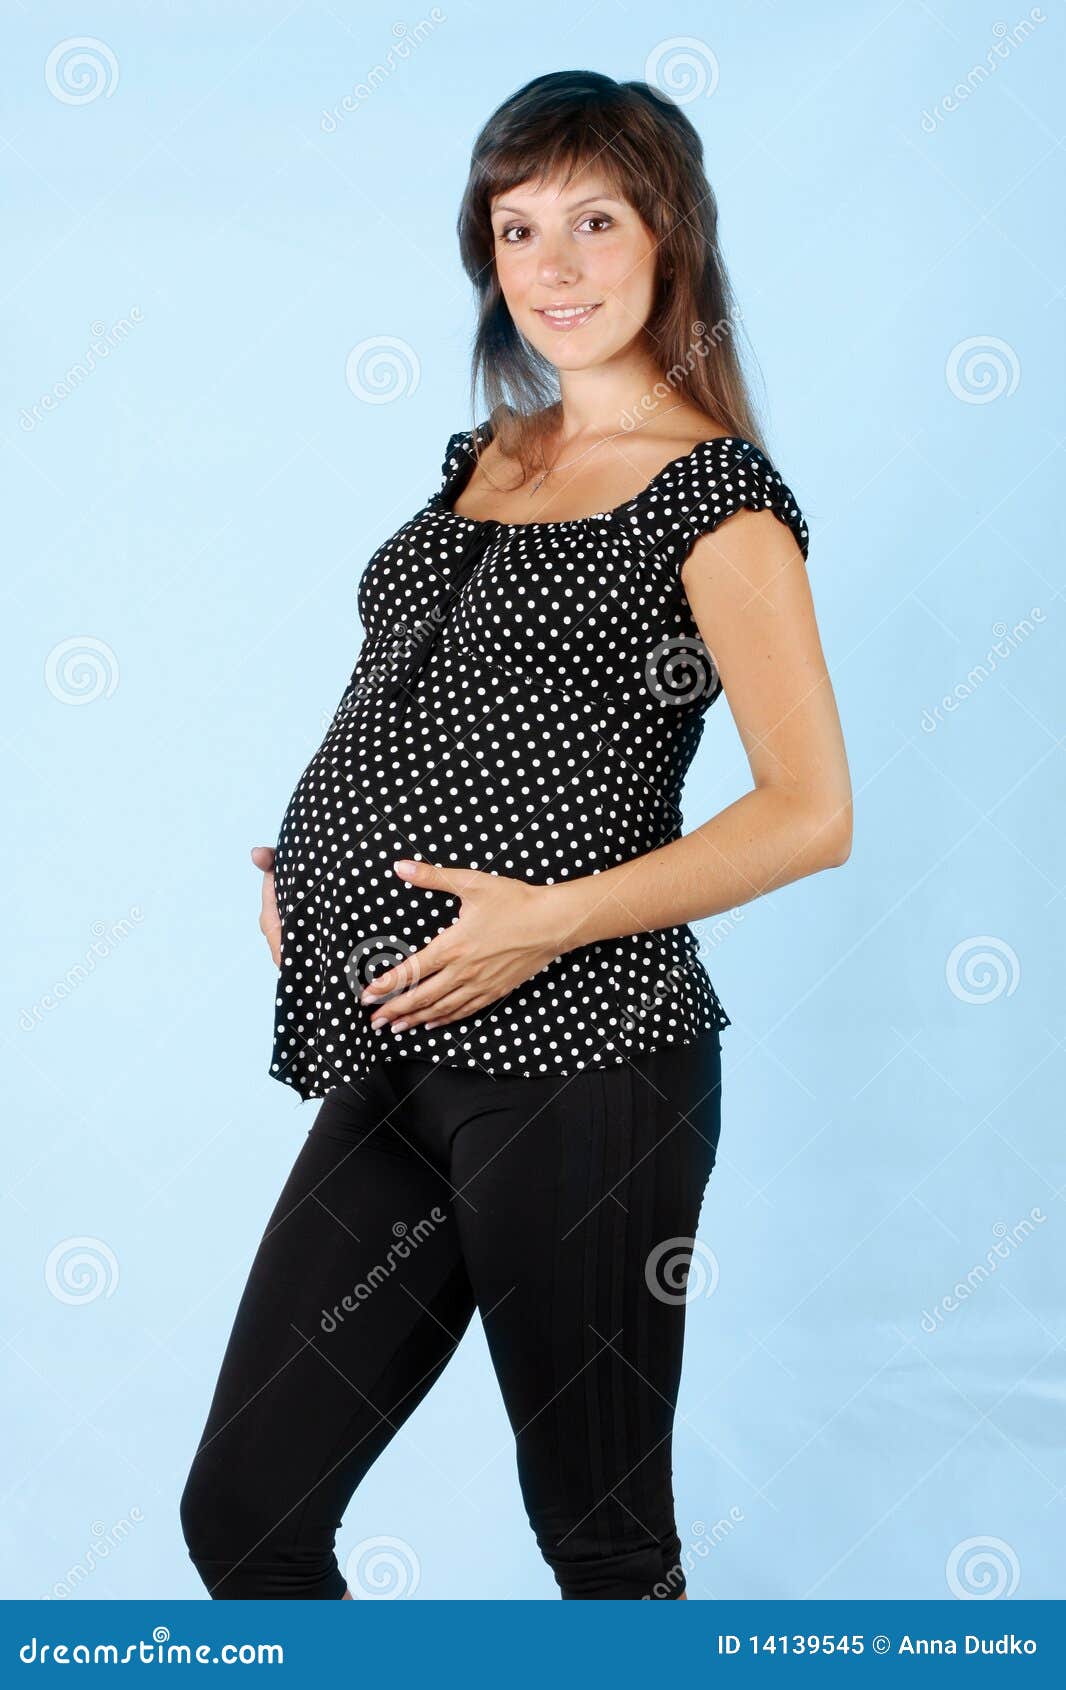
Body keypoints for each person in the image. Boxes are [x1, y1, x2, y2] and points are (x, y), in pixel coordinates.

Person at [180, 69, 852, 1601]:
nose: (548, 267)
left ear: (667, 236)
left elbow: (811, 812)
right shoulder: (487, 459)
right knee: (245, 1517)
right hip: (397, 1043)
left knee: (603, 1548)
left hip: (588, 1066)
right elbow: (416, 699)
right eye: (515, 225)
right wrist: (323, 856)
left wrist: (540, 916)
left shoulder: (716, 500)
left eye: (592, 221)